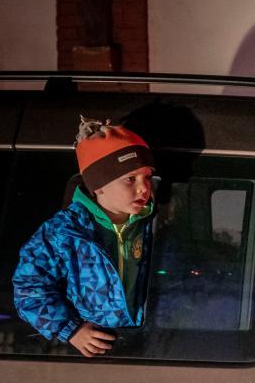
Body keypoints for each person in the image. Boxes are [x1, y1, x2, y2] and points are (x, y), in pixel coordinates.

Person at [13, 117, 156, 358]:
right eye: (130, 179)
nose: (143, 188)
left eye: (147, 177)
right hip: (95, 352)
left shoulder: (152, 224)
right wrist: (70, 329)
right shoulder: (64, 232)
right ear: (99, 185)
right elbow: (29, 287)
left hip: (147, 347)